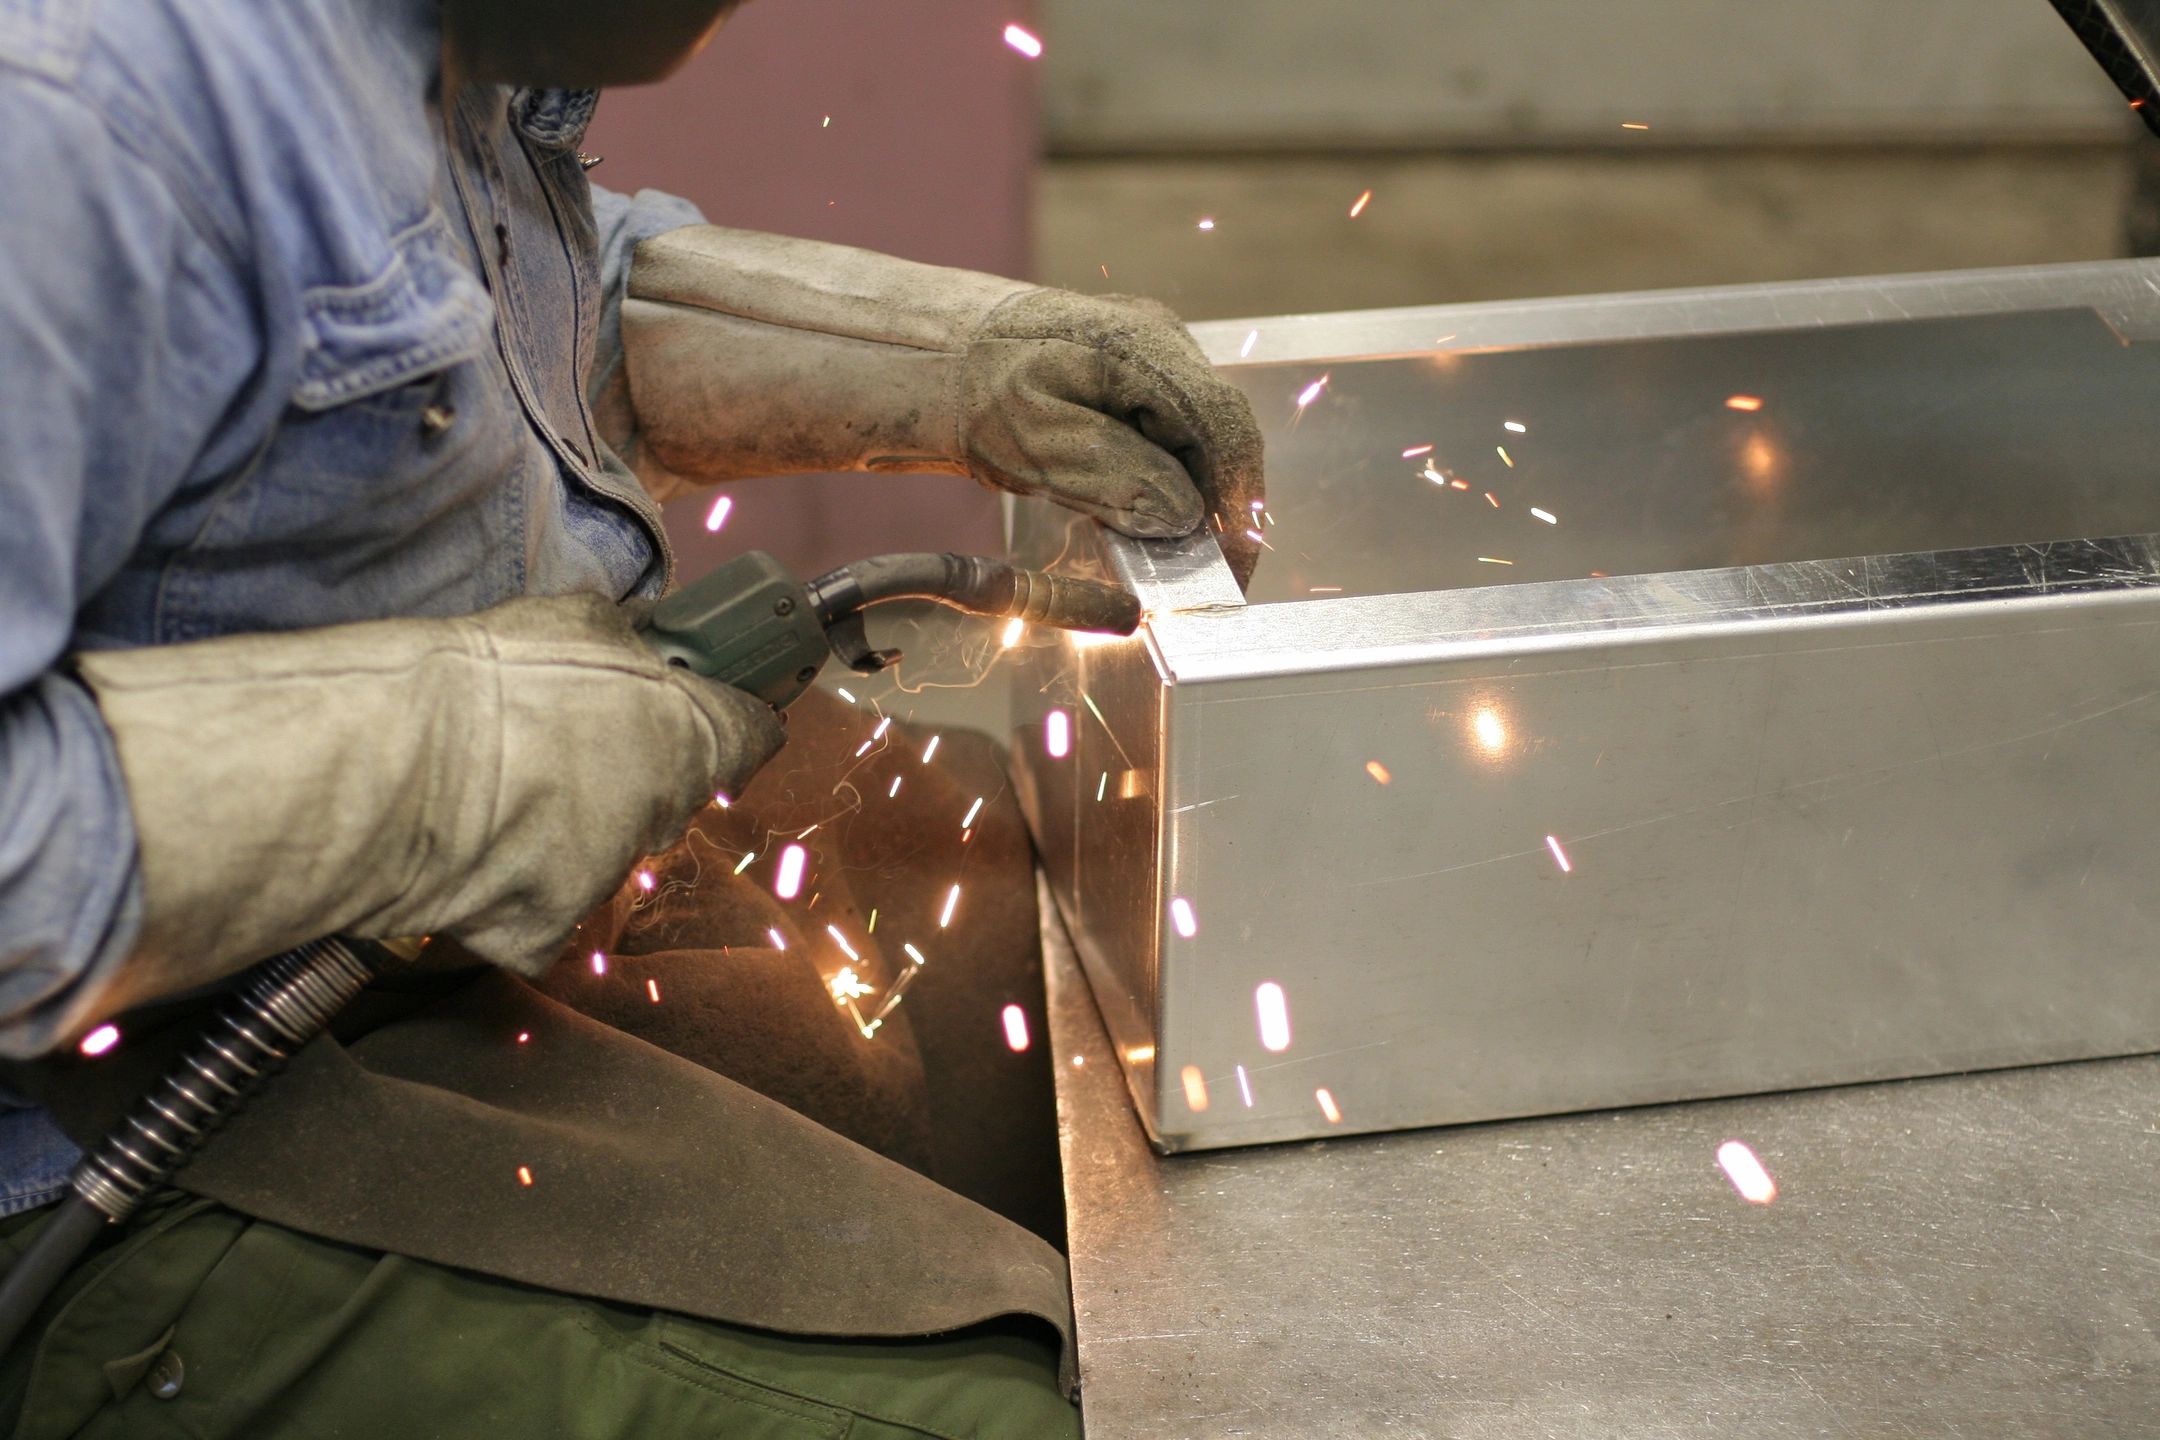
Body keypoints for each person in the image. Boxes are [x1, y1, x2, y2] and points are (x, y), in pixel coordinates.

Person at [0, 0, 1262, 1432]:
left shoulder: (423, 39)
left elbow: (486, 323)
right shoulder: (67, 110)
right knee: (997, 1413)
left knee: (1002, 928)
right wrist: (468, 760)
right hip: (115, 1157)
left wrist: (950, 362)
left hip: (384, 960)